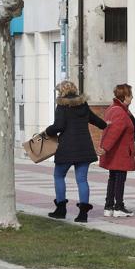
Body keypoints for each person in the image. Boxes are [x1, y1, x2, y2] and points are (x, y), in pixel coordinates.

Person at [45, 80, 107, 223]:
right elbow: (94, 119)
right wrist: (105, 125)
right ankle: (83, 214)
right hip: (84, 148)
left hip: (67, 148)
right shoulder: (82, 104)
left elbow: (59, 126)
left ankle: (61, 209)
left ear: (62, 91)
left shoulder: (62, 105)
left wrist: (48, 131)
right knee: (82, 180)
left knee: (59, 176)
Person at [98, 83, 135, 218]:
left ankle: (109, 206)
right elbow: (114, 132)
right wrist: (105, 148)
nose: (132, 98)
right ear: (125, 96)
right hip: (119, 152)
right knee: (119, 178)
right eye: (131, 95)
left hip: (116, 151)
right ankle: (118, 207)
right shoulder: (120, 112)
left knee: (113, 178)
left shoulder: (113, 109)